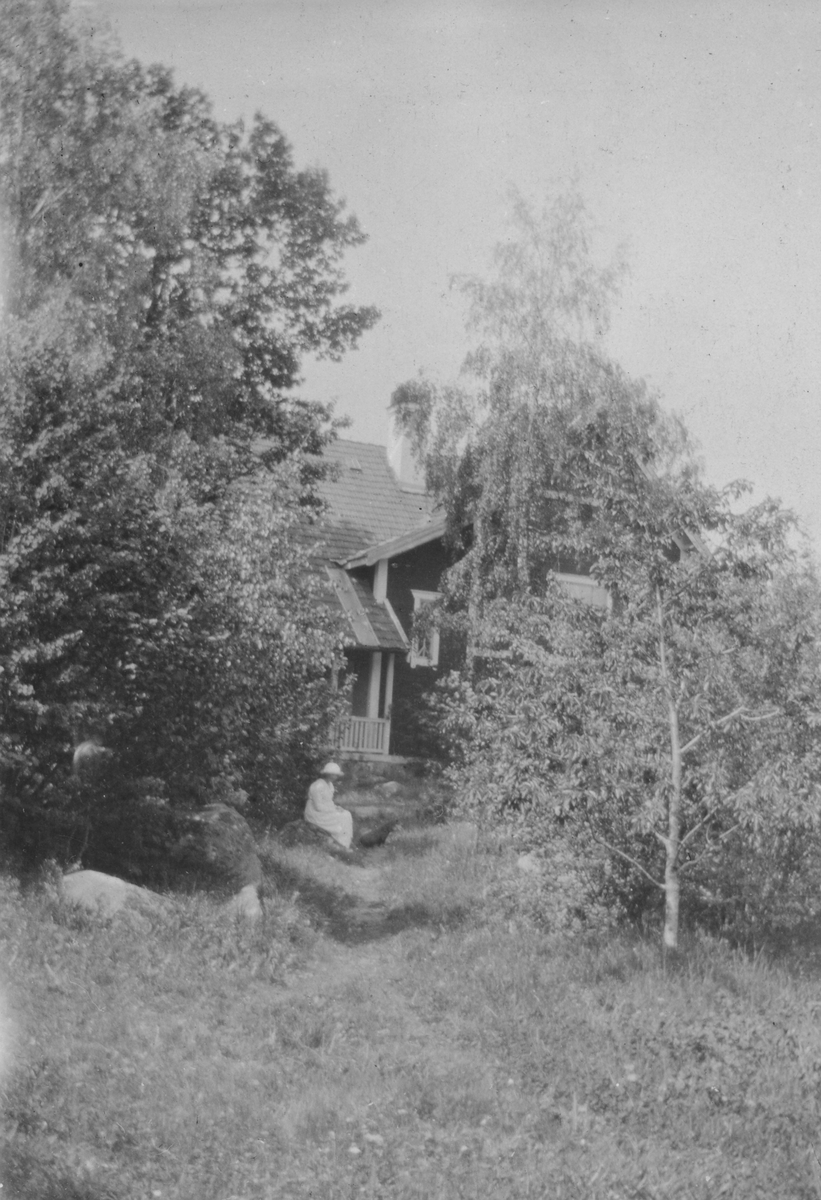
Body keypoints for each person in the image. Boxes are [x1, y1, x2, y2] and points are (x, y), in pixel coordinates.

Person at [304, 762, 354, 850]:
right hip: (315, 813)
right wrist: (333, 810)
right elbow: (318, 806)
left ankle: (344, 843)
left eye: (336, 775)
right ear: (327, 774)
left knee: (347, 814)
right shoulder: (317, 786)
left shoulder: (330, 785)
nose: (335, 777)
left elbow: (328, 802)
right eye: (333, 774)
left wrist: (336, 807)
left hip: (325, 810)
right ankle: (340, 844)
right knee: (343, 817)